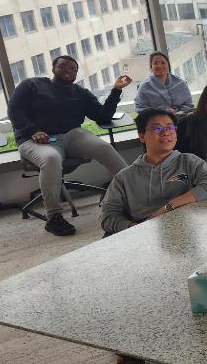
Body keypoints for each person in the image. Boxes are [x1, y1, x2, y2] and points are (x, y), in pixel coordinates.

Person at [98, 107, 207, 364]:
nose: (166, 132)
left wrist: (167, 208)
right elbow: (108, 216)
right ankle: (129, 359)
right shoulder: (125, 177)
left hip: (190, 242)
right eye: (157, 128)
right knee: (118, 293)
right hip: (141, 248)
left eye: (170, 127)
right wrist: (135, 229)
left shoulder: (188, 162)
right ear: (141, 136)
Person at [7, 55, 131, 237]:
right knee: (51, 158)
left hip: (72, 135)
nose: (69, 71)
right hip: (36, 139)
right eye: (64, 67)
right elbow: (14, 110)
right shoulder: (32, 85)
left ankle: (136, 190)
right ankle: (54, 217)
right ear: (53, 68)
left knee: (104, 148)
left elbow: (102, 116)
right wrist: (32, 129)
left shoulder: (80, 93)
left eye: (73, 69)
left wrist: (116, 90)